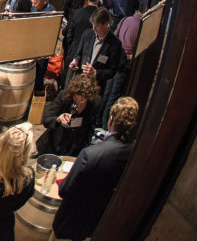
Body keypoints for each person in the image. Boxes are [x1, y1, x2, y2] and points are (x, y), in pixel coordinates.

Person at [52, 98, 139, 241]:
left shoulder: (90, 154)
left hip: (73, 222)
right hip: (101, 221)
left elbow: (64, 190)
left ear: (111, 120)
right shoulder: (136, 151)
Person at [67, 8, 123, 123]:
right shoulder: (87, 34)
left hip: (96, 89)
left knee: (88, 118)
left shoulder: (115, 44)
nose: (93, 28)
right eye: (92, 25)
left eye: (96, 26)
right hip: (80, 83)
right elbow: (79, 54)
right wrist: (75, 61)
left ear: (106, 24)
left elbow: (112, 71)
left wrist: (95, 72)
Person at [36, 74, 100, 158]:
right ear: (74, 92)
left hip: (75, 148)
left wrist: (84, 150)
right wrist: (58, 119)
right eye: (80, 96)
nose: (82, 100)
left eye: (85, 97)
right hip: (54, 144)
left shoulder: (95, 102)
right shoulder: (63, 96)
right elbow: (46, 120)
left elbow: (91, 128)